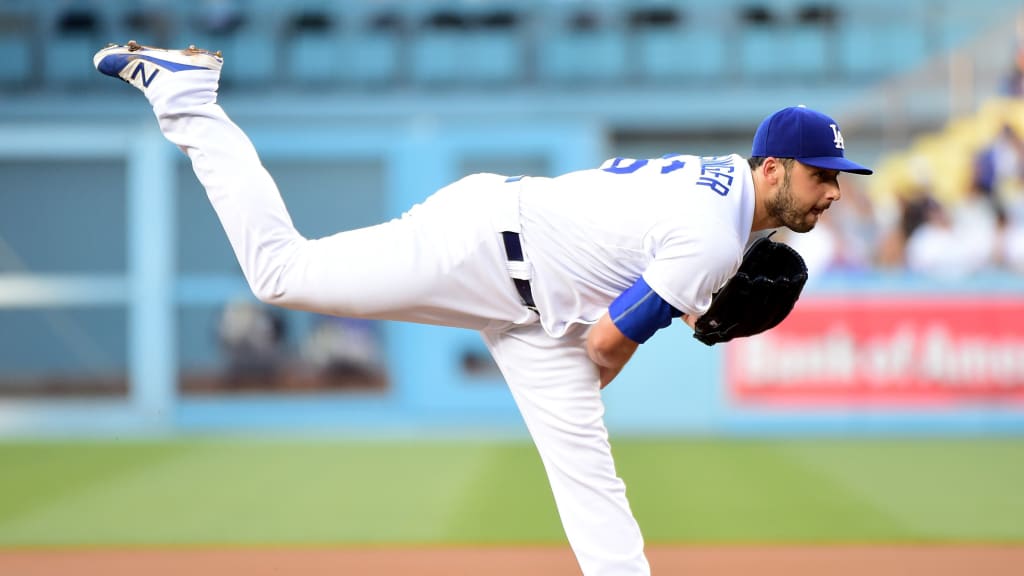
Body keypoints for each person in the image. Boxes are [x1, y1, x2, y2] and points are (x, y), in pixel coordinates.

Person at [93, 41, 872, 576]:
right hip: (481, 248)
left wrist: (661, 321)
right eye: (820, 173)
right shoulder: (711, 236)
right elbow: (605, 347)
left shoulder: (721, 197)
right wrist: (684, 317)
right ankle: (190, 100)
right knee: (281, 274)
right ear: (773, 167)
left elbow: (605, 325)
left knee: (589, 481)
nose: (833, 188)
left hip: (540, 307)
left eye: (838, 174)